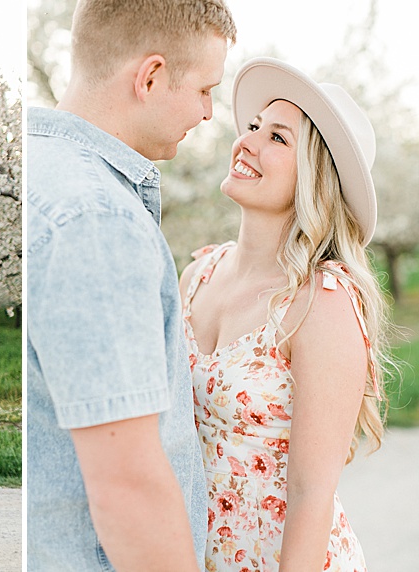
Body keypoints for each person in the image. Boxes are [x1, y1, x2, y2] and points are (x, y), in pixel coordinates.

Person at [24, 0, 236, 569]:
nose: (208, 113)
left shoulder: (35, 172)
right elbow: (128, 486)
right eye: (203, 89)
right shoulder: (95, 219)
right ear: (150, 77)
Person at [180, 57, 389, 570]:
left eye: (277, 138)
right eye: (253, 127)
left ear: (315, 177)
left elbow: (311, 492)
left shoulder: (322, 301)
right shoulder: (199, 275)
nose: (247, 142)